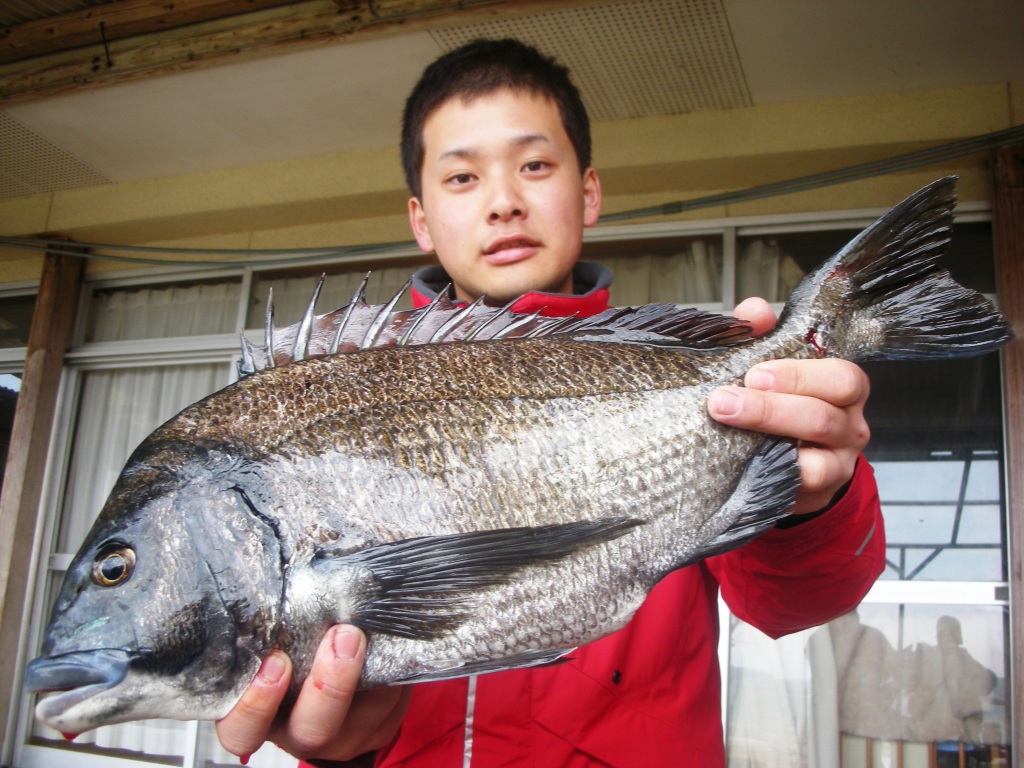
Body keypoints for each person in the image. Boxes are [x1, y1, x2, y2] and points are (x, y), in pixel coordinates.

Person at [215, 39, 885, 767]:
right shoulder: (335, 390)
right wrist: (340, 749)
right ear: (420, 218)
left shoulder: (673, 374)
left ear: (588, 191)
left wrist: (817, 498)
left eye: (535, 165)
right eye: (463, 176)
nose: (504, 201)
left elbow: (790, 605)